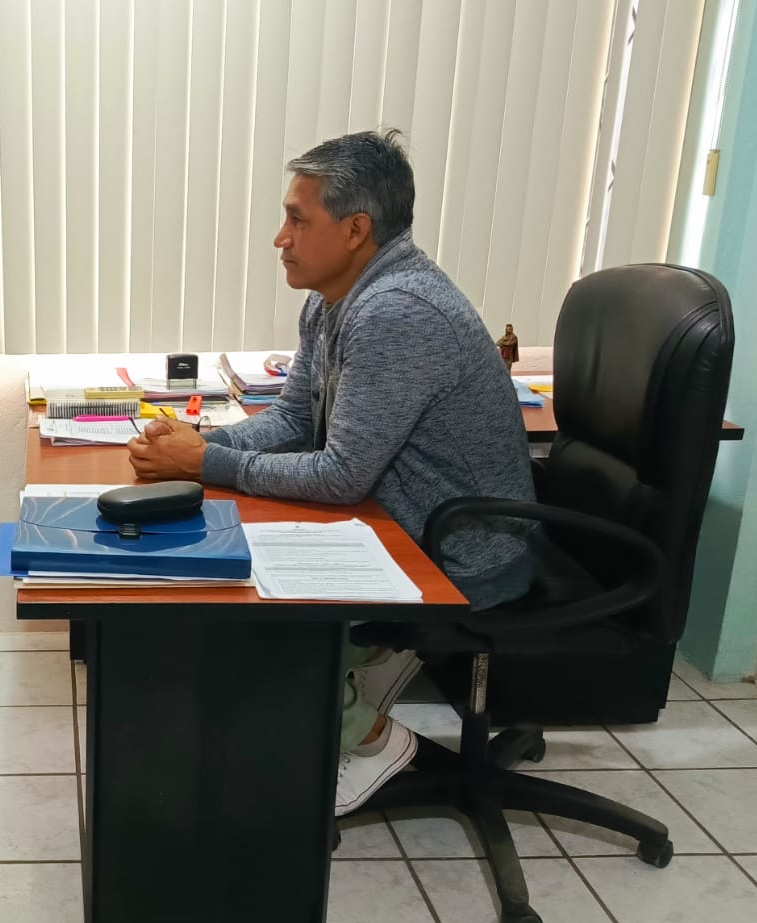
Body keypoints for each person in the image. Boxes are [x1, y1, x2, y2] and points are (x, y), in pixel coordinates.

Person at [128, 130, 534, 815]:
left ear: (355, 230)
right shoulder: (331, 299)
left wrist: (205, 463)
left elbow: (342, 474)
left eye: (297, 219)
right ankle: (354, 681)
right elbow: (294, 418)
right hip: (403, 526)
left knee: (236, 618)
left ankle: (370, 737)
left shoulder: (396, 311)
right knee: (226, 573)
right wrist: (203, 444)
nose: (280, 238)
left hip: (462, 553)